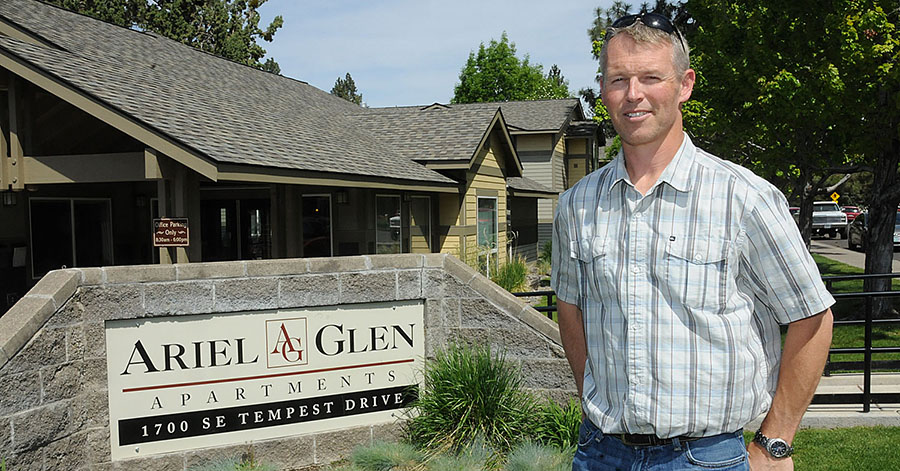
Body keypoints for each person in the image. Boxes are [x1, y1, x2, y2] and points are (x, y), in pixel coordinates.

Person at [551, 13, 834, 471]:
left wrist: (775, 442)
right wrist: (594, 395)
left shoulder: (745, 198)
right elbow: (571, 306)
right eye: (618, 79)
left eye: (650, 77)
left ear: (684, 85)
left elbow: (812, 317)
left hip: (706, 458)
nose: (633, 94)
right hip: (600, 453)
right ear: (603, 88)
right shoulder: (576, 205)